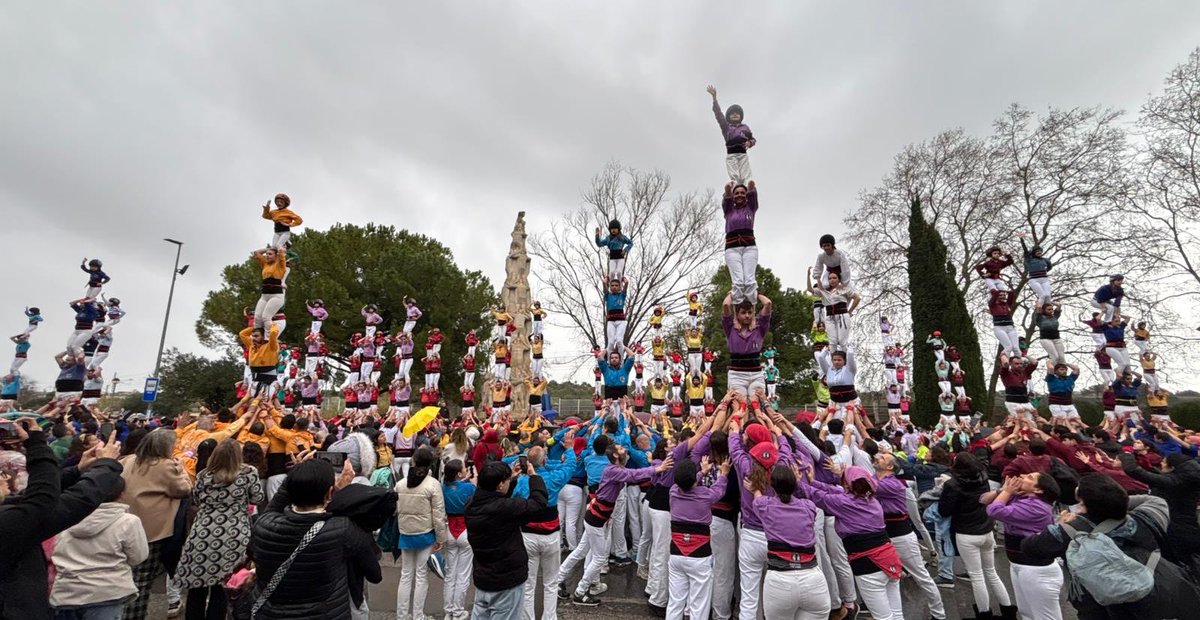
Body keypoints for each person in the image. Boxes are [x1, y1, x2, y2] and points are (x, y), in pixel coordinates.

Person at [1021, 474, 1200, 620]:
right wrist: (1111, 502)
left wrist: (1060, 524)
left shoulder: (1069, 531)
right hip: (1153, 596)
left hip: (1098, 608)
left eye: (1080, 502)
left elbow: (1029, 547)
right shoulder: (1146, 518)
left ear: (1084, 506)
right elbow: (1152, 499)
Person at [0, 419, 126, 619]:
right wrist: (106, 465)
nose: (5, 476)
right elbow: (59, 501)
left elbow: (27, 499)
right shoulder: (9, 524)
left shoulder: (9, 515)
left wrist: (77, 471)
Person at [250, 457, 381, 618]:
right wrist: (340, 492)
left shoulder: (264, 525)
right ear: (329, 493)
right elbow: (374, 574)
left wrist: (300, 473)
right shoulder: (342, 529)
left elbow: (273, 507)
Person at [174, 439, 264, 620]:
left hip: (203, 531)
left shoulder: (203, 475)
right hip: (234, 532)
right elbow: (258, 498)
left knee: (197, 586)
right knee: (223, 586)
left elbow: (196, 500)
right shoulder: (248, 473)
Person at [49, 477, 149, 620]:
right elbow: (138, 556)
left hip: (67, 592)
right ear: (121, 494)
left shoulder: (65, 517)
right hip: (108, 591)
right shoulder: (128, 521)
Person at [119, 428, 193, 619]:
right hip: (153, 529)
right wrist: (181, 468)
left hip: (124, 525)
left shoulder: (128, 460)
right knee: (142, 578)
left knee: (126, 573)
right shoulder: (166, 465)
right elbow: (184, 489)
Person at [466, 459, 549, 620]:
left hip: (483, 577)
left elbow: (497, 502)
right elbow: (538, 505)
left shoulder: (473, 504)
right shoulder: (503, 509)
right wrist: (534, 476)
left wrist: (512, 480)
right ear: (499, 485)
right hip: (506, 581)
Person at [752, 462, 830, 620]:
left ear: (772, 485)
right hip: (813, 579)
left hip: (780, 581)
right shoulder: (808, 506)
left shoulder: (764, 505)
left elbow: (757, 498)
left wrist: (756, 488)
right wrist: (799, 482)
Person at [873, 453, 946, 620]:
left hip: (901, 536)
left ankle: (939, 614)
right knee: (887, 578)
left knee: (921, 576)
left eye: (882, 458)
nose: (878, 458)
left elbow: (866, 485)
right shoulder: (876, 479)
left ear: (890, 467)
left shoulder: (892, 484)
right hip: (884, 536)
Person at [939, 453, 1011, 618]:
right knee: (991, 572)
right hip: (985, 529)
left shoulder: (952, 484)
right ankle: (1008, 610)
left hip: (966, 532)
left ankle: (984, 613)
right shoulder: (983, 478)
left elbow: (944, 511)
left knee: (976, 576)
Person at [981, 472, 1061, 620]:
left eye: (1029, 477)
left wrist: (1006, 492)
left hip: (1036, 568)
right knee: (1026, 613)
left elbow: (994, 510)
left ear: (1038, 490)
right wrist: (1003, 490)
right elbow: (984, 499)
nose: (1022, 476)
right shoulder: (1021, 497)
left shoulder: (1037, 507)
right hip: (1019, 564)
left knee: (1045, 616)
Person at [665, 456, 730, 620]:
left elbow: (687, 483)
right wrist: (723, 474)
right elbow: (719, 490)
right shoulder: (705, 495)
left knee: (675, 602)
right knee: (699, 604)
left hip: (676, 552)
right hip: (699, 555)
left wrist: (701, 472)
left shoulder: (673, 491)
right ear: (694, 478)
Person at [393, 446, 448, 620]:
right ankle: (418, 616)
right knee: (421, 575)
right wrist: (441, 538)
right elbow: (438, 514)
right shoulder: (433, 485)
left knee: (405, 574)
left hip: (405, 533)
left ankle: (402, 615)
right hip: (425, 533)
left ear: (413, 461)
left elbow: (396, 509)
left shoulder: (400, 484)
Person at [441, 460, 476, 620]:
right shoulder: (469, 487)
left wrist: (463, 480)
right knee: (463, 574)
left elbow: (453, 486)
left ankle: (448, 610)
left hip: (450, 528)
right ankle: (458, 610)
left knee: (450, 573)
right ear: (459, 473)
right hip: (465, 529)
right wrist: (469, 481)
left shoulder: (443, 487)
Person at [721, 292, 772, 397]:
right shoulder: (730, 328)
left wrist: (755, 294)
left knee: (757, 401)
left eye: (750, 312)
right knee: (740, 402)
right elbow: (726, 305)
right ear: (737, 314)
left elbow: (768, 303)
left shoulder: (759, 328)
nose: (747, 315)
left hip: (756, 374)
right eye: (743, 313)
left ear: (753, 313)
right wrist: (731, 294)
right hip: (736, 375)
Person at [706, 85, 756, 184]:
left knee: (745, 175)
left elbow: (753, 139)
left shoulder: (745, 127)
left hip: (743, 153)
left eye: (737, 113)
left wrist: (750, 143)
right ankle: (733, 185)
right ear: (729, 117)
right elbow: (719, 115)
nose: (735, 114)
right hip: (731, 154)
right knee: (735, 175)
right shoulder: (727, 127)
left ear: (740, 116)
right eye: (732, 113)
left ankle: (748, 185)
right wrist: (714, 98)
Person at [722, 181, 760, 305]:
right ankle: (738, 308)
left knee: (749, 280)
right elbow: (727, 194)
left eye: (742, 193)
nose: (740, 195)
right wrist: (729, 188)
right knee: (738, 281)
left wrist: (749, 185)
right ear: (733, 196)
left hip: (749, 247)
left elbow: (751, 186)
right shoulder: (729, 210)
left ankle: (751, 308)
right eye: (737, 193)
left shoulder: (751, 208)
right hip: (732, 248)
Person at [807, 269, 859, 351]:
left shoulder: (844, 289)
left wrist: (850, 311)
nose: (832, 280)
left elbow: (857, 298)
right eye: (830, 278)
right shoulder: (824, 291)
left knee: (842, 342)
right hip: (829, 318)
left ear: (839, 279)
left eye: (834, 278)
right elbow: (810, 289)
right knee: (832, 342)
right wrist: (808, 275)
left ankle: (846, 357)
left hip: (842, 317)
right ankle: (833, 358)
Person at [1020, 236, 1053, 308]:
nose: (1039, 252)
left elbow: (1050, 266)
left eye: (1040, 251)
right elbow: (1025, 251)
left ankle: (1048, 309)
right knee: (1042, 295)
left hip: (1044, 279)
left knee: (1048, 295)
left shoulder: (1045, 260)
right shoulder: (1030, 260)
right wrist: (1022, 240)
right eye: (1037, 251)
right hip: (1034, 280)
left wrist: (1045, 271)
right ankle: (1039, 309)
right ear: (1034, 253)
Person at [602, 276, 629, 353]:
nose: (614, 287)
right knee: (610, 342)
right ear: (610, 287)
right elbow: (604, 283)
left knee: (619, 341)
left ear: (619, 287)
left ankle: (621, 359)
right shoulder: (608, 295)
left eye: (616, 285)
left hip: (621, 321)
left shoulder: (622, 295)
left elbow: (626, 283)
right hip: (611, 321)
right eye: (612, 285)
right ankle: (610, 359)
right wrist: (607, 278)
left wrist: (623, 279)